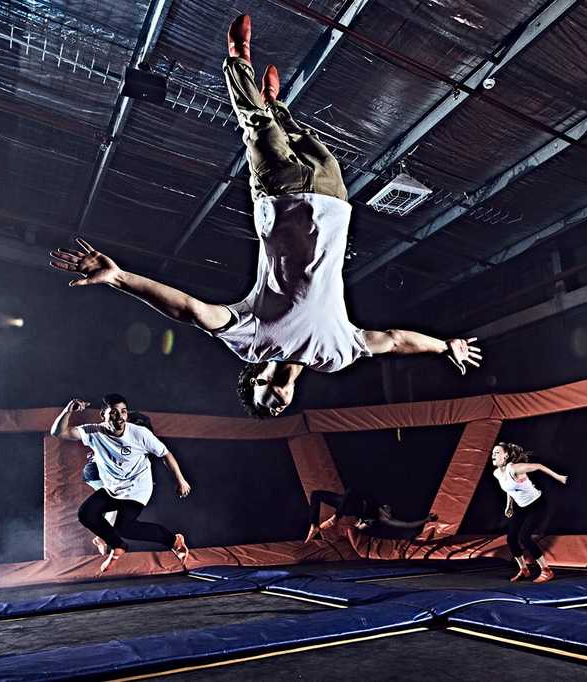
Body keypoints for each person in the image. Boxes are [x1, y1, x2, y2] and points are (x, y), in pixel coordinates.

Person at [48, 14, 481, 418]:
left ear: (255, 380)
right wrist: (445, 347)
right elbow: (395, 341)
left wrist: (121, 278)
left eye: (265, 402)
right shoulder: (336, 356)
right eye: (278, 410)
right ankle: (275, 104)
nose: (277, 405)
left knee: (257, 128)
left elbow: (192, 311)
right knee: (296, 133)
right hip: (334, 200)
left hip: (281, 198)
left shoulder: (254, 343)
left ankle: (237, 60)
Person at [50, 394, 193, 572]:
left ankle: (173, 541)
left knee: (124, 527)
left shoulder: (139, 433)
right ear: (103, 415)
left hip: (137, 487)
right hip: (113, 487)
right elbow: (58, 432)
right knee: (86, 514)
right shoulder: (94, 431)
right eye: (114, 412)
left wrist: (180, 480)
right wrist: (67, 411)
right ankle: (117, 545)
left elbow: (165, 454)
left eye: (123, 412)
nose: (119, 417)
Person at [81, 410, 155, 557]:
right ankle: (102, 538)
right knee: (118, 502)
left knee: (114, 505)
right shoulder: (129, 437)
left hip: (91, 472)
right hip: (97, 471)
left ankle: (102, 537)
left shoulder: (118, 432)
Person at [491, 442, 567, 583]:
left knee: (524, 537)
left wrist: (559, 477)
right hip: (521, 507)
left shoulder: (514, 468)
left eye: (497, 452)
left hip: (536, 504)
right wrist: (509, 505)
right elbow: (509, 489)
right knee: (511, 538)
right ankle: (524, 570)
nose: (493, 455)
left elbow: (539, 466)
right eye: (493, 453)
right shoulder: (497, 473)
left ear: (506, 455)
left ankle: (546, 570)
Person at [303, 489, 437, 542]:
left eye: (388, 510)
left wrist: (425, 520)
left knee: (351, 493)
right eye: (386, 507)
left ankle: (335, 518)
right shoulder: (380, 504)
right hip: (347, 502)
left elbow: (406, 524)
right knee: (316, 494)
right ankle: (313, 525)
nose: (386, 509)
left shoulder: (384, 518)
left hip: (351, 506)